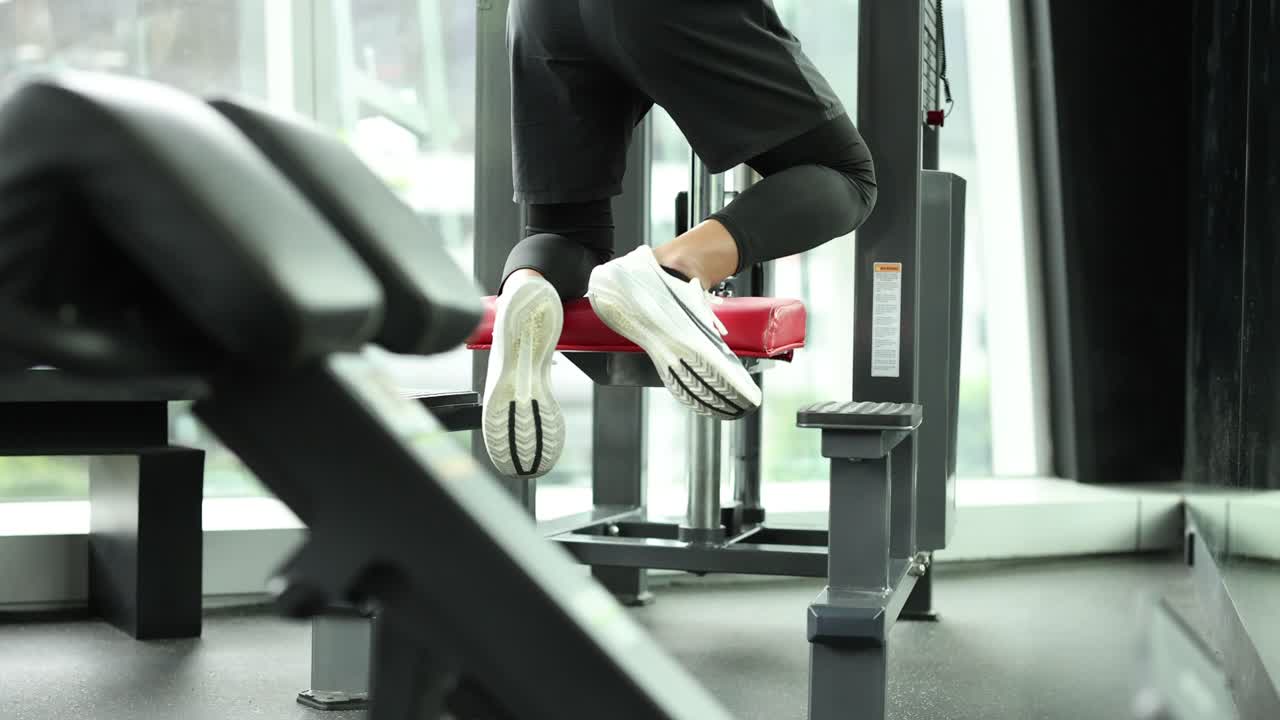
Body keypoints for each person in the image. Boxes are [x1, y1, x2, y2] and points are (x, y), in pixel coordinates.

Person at [483, 0, 878, 478]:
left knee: (563, 231)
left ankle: (528, 284)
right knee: (848, 175)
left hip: (540, 15)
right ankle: (671, 270)